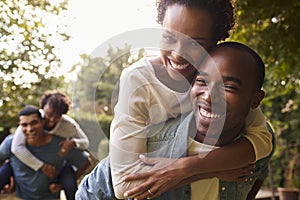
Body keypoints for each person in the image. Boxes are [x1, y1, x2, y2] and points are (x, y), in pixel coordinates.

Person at [77, 0, 272, 199]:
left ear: (215, 44)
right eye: (169, 37)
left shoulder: (217, 79)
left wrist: (190, 166)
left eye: (195, 43)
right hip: (100, 192)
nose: (178, 54)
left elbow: (263, 139)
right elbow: (123, 184)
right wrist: (205, 170)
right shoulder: (138, 80)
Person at [122, 41, 275, 200]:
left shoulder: (259, 144)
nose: (209, 96)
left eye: (229, 87)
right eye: (202, 81)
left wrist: (188, 169)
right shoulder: (149, 143)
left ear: (256, 100)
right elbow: (101, 189)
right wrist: (208, 171)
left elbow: (258, 171)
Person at [8, 90, 89, 199]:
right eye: (49, 114)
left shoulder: (68, 125)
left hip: (61, 161)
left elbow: (85, 142)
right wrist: (41, 166)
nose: (51, 120)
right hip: (39, 162)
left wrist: (73, 143)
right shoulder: (34, 119)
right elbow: (17, 148)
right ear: (42, 108)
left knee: (70, 186)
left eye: (57, 117)